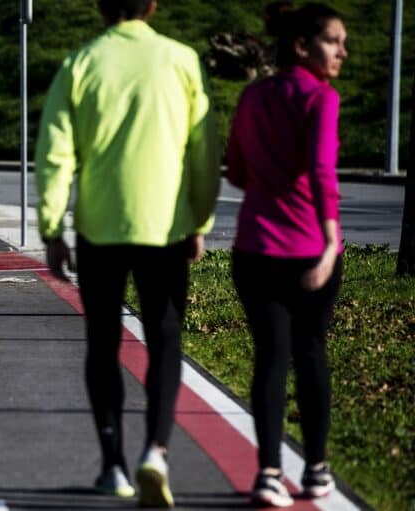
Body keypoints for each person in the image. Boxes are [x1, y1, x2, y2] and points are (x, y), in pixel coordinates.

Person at [34, 0, 220, 506]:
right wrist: (199, 219)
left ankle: (112, 463)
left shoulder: (80, 64)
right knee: (165, 339)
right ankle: (156, 450)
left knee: (102, 343)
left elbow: (55, 153)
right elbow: (204, 149)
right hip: (166, 228)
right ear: (152, 5)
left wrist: (52, 228)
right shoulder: (181, 60)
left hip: (100, 230)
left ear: (100, 6)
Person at [225, 2, 347, 507]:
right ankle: (316, 470)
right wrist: (330, 242)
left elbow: (235, 170)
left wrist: (269, 186)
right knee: (311, 353)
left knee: (270, 359)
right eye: (333, 41)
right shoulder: (321, 98)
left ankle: (269, 473)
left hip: (254, 248)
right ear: (302, 46)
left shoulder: (252, 95)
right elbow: (321, 171)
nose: (342, 52)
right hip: (308, 251)